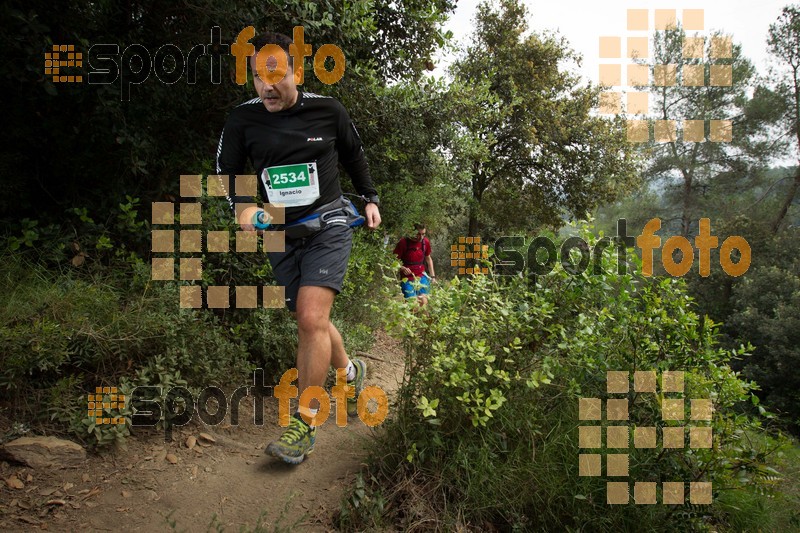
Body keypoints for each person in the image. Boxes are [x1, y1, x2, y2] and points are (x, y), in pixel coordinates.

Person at [215, 31, 382, 464]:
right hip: (278, 232)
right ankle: (349, 371)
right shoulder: (243, 120)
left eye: (276, 77)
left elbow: (354, 153)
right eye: (257, 78)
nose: (267, 87)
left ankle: (303, 425)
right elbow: (227, 168)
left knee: (310, 316)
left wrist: (370, 198)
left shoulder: (328, 111)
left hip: (328, 224)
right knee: (312, 321)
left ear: (297, 71)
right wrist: (243, 208)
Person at [393, 224, 435, 307]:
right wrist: (402, 268)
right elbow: (393, 260)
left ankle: (421, 319)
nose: (421, 237)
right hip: (407, 278)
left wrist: (433, 276)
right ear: (411, 232)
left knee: (424, 302)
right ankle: (412, 318)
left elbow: (428, 259)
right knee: (413, 305)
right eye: (418, 234)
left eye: (423, 234)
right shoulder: (403, 243)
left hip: (421, 275)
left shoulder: (425, 242)